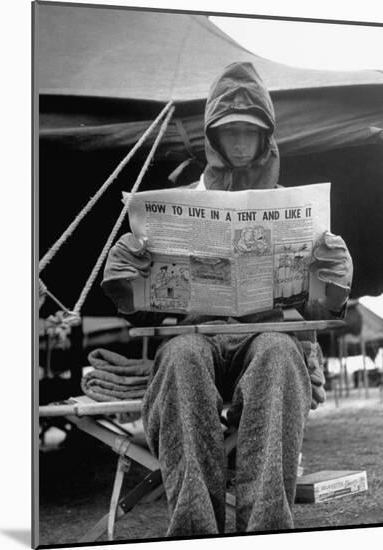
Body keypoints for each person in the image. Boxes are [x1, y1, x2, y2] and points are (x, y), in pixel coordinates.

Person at [101, 62, 353, 536]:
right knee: (179, 358)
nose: (240, 144)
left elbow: (316, 309)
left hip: (266, 333)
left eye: (250, 134)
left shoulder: (291, 206)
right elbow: (151, 303)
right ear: (213, 138)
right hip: (198, 331)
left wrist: (334, 285)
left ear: (266, 139)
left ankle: (267, 531)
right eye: (230, 132)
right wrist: (129, 287)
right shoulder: (185, 199)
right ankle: (195, 530)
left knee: (281, 355)